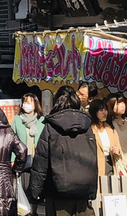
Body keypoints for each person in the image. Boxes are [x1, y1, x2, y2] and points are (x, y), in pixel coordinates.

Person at [28, 84, 98, 216]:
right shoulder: (87, 125)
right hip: (83, 191)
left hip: (57, 193)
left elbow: (41, 162)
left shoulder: (51, 127)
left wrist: (35, 192)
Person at [12, 93, 44, 196]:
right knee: (22, 188)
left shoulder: (41, 120)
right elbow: (12, 141)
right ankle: (23, 210)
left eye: (29, 102)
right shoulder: (17, 119)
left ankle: (33, 211)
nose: (26, 104)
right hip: (22, 159)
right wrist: (12, 159)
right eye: (24, 102)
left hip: (37, 159)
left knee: (35, 188)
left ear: (35, 104)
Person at [106, 93, 127, 173]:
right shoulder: (107, 124)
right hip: (113, 164)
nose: (122, 105)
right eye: (118, 103)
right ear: (110, 105)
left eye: (123, 102)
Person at [89, 98, 123, 176]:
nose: (104, 113)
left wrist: (117, 151)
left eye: (105, 110)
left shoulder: (110, 128)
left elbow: (119, 148)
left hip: (110, 164)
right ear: (94, 112)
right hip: (96, 165)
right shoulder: (90, 129)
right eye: (101, 110)